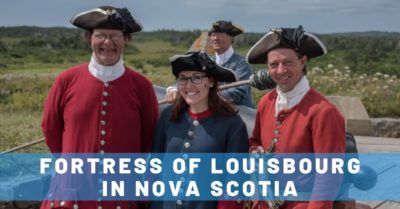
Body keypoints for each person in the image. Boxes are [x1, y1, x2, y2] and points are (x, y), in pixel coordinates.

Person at [41, 6, 159, 209]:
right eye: (101, 35)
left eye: (115, 36)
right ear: (89, 38)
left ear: (125, 40)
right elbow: (50, 128)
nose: (107, 42)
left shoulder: (142, 86)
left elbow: (150, 137)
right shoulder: (66, 80)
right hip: (72, 190)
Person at [246, 26, 346, 209]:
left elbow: (329, 177)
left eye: (288, 62)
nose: (281, 70)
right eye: (274, 65)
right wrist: (255, 152)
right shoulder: (266, 102)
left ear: (303, 61)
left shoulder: (324, 112)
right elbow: (255, 141)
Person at [151, 51, 249, 209]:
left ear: (210, 81)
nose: (189, 85)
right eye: (182, 79)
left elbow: (235, 184)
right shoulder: (167, 116)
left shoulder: (233, 125)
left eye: (196, 77)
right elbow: (154, 169)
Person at [165, 20, 254, 107]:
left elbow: (240, 89)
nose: (215, 38)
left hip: (242, 113)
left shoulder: (242, 63)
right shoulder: (207, 61)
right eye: (213, 35)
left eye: (220, 35)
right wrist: (174, 89)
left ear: (231, 38)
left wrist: (214, 96)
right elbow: (191, 77)